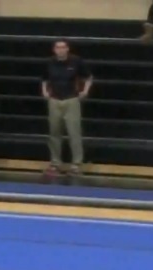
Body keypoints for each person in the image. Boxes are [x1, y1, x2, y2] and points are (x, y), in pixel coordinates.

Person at [42, 39, 92, 182]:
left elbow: (88, 77)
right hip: (54, 100)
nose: (61, 50)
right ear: (54, 50)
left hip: (71, 100)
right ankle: (55, 163)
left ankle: (76, 164)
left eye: (63, 47)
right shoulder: (49, 62)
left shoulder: (76, 61)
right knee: (54, 133)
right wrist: (44, 91)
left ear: (68, 49)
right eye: (58, 47)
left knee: (74, 132)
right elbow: (44, 79)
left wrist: (85, 91)